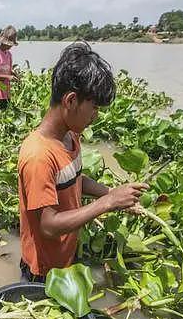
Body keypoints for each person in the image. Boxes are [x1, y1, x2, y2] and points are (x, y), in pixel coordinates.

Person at [17, 42, 149, 282]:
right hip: (43, 271)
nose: (95, 115)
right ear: (70, 101)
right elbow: (48, 225)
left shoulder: (70, 135)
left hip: (66, 257)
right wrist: (107, 203)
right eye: (94, 107)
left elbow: (75, 179)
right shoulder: (39, 156)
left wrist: (112, 193)